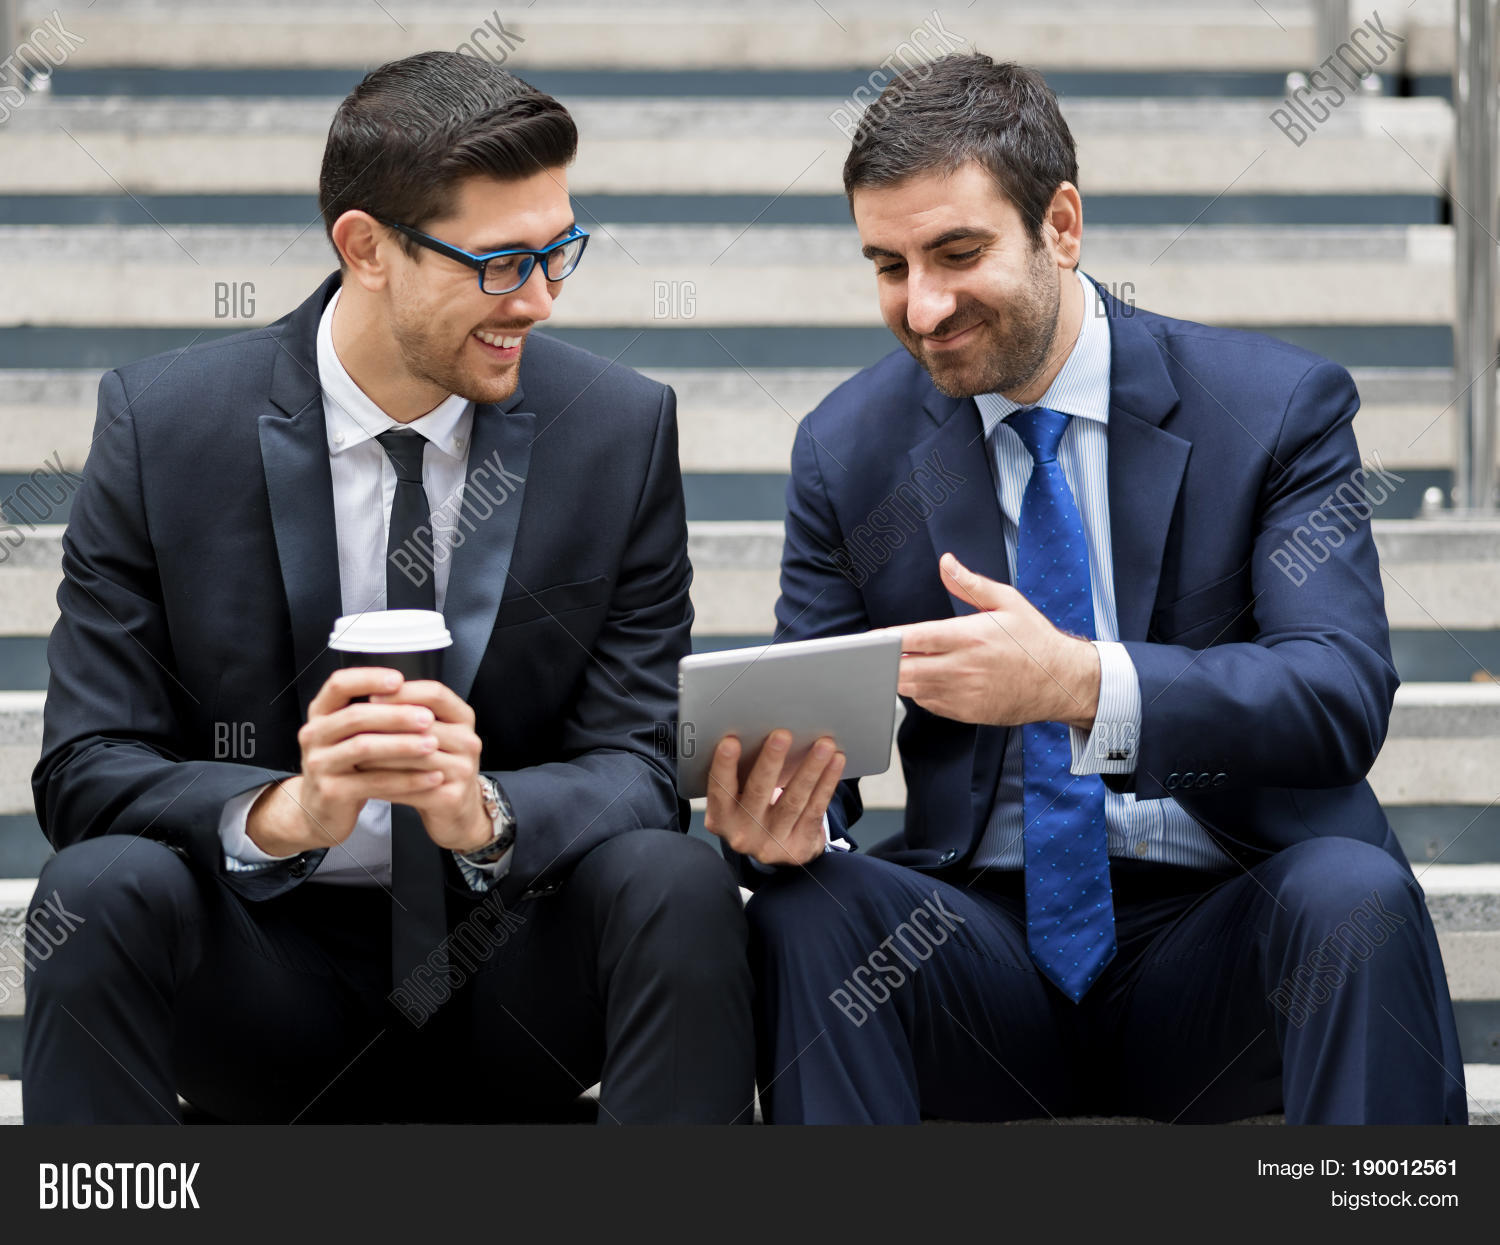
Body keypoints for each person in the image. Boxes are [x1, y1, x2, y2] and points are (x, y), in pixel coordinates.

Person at [702, 53, 1466, 1125]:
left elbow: (1335, 696)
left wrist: (1079, 685)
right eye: (888, 264)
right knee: (807, 913)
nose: (922, 307)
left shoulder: (1275, 407)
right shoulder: (849, 449)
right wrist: (784, 820)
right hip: (981, 951)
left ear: (1061, 225)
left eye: (957, 254)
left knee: (1355, 897)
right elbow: (818, 742)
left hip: (1231, 935)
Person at [24, 51, 753, 1125]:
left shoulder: (619, 429)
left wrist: (487, 810)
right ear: (366, 247)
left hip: (514, 971)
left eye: (561, 252)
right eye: (503, 263)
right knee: (91, 894)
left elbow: (641, 765)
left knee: (679, 881)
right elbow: (86, 766)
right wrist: (283, 811)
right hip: (261, 975)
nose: (542, 300)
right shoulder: (164, 427)